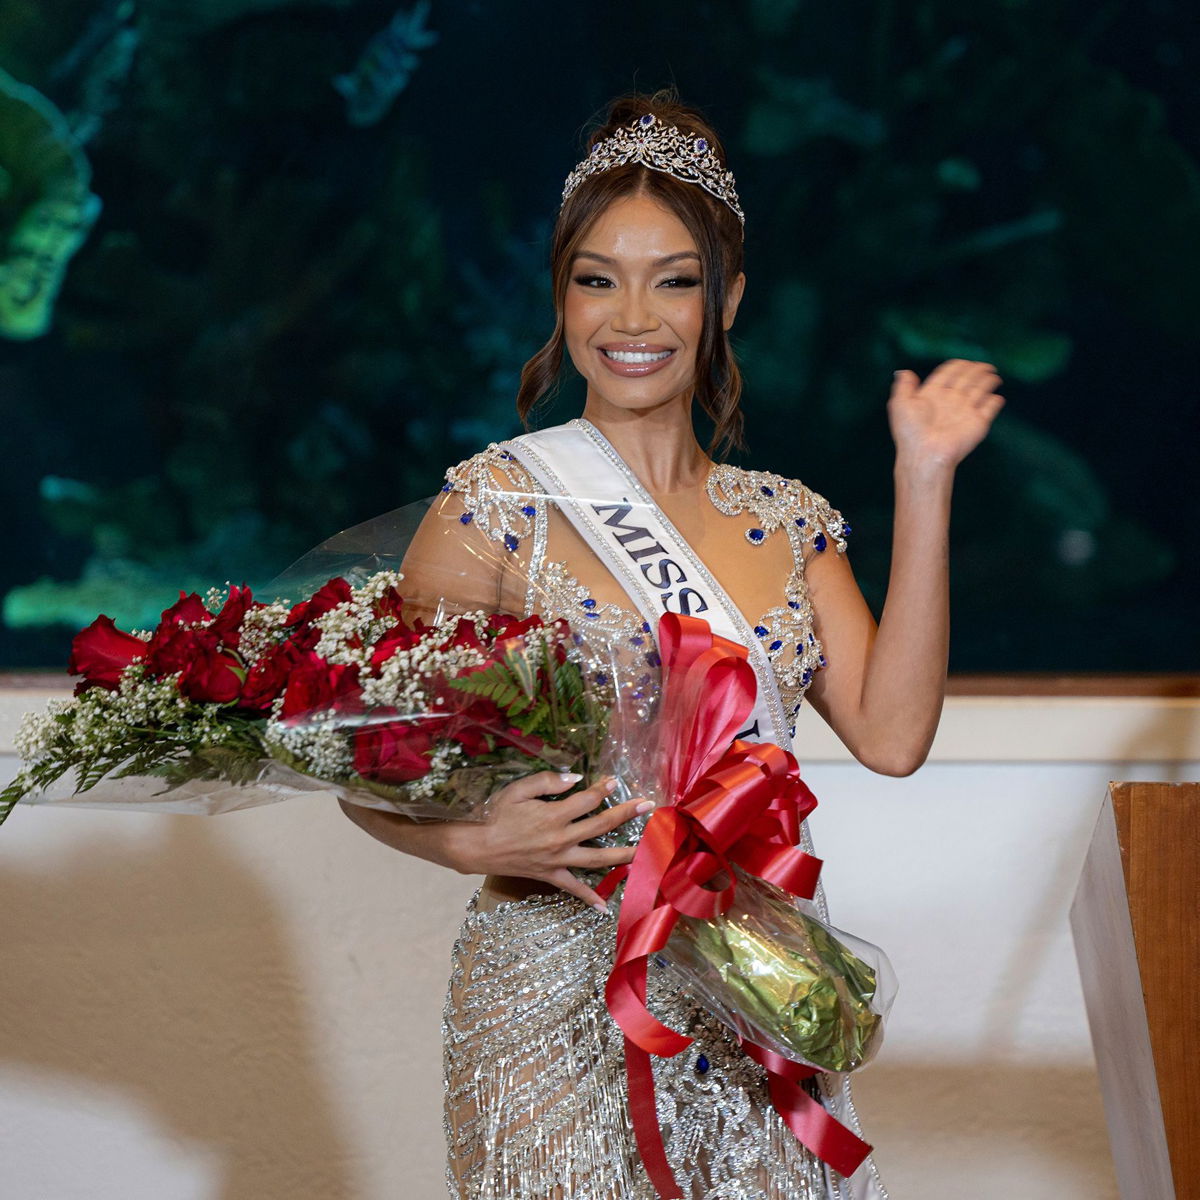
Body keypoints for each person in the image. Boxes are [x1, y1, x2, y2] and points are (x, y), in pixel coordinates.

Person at [339, 90, 1003, 1200]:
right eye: (597, 278)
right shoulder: (501, 504)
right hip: (552, 989)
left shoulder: (784, 522)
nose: (631, 316)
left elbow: (892, 736)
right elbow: (366, 751)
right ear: (561, 296)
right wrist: (468, 842)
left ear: (726, 299)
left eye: (674, 279)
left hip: (757, 980)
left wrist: (923, 481)